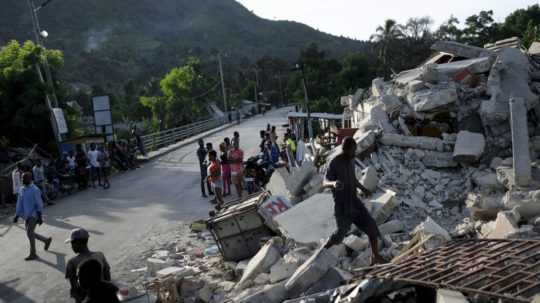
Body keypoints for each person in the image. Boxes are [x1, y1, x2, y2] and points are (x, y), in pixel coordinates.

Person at [323, 137, 385, 265]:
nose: (353, 153)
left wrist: (364, 188)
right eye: (351, 151)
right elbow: (324, 181)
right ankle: (322, 252)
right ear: (344, 149)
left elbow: (353, 179)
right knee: (339, 235)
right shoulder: (334, 162)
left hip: (355, 202)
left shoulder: (351, 160)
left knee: (372, 227)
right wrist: (333, 183)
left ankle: (375, 256)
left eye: (354, 151)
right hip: (342, 206)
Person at [65, 228, 112, 303]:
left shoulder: (72, 262)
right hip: (104, 295)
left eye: (72, 243)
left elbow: (74, 288)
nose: (71, 247)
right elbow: (108, 277)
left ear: (77, 243)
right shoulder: (100, 255)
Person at [13, 172, 52, 261]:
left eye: (24, 178)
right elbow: (19, 203)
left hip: (34, 215)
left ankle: (33, 253)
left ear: (30, 179)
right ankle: (46, 240)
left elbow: (39, 204)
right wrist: (17, 215)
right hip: (26, 215)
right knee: (30, 233)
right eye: (22, 178)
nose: (22, 180)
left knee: (29, 232)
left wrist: (40, 217)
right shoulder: (21, 189)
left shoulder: (35, 190)